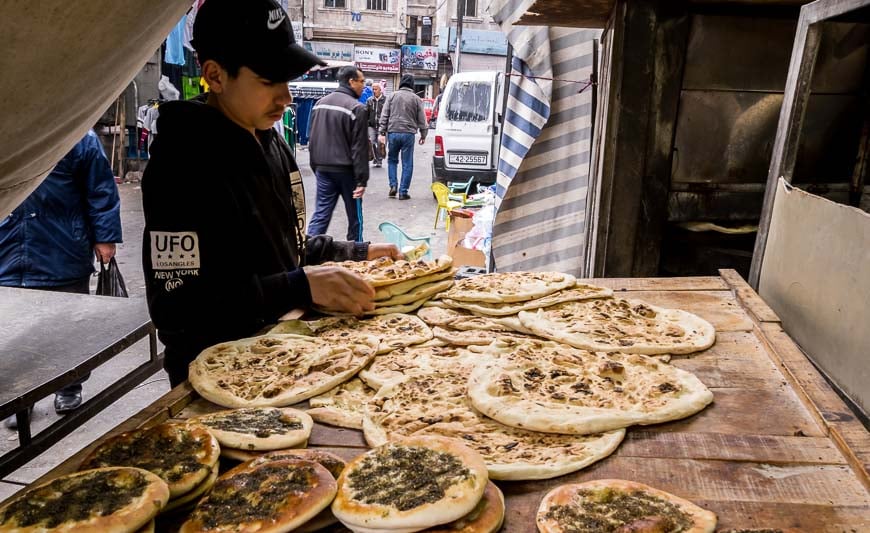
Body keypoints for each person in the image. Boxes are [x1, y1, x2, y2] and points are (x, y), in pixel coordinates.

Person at [141, 0, 400, 387]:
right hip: (218, 377)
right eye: (268, 81)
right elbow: (181, 307)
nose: (287, 97)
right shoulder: (182, 163)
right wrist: (302, 285)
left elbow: (282, 247)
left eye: (288, 80)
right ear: (214, 75)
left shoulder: (269, 141)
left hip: (282, 357)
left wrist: (354, 254)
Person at [0, 129, 122, 426]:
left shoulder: (77, 134)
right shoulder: (9, 128)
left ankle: (69, 386)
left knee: (68, 327)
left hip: (62, 247)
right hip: (7, 248)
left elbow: (100, 190)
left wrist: (105, 238)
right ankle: (22, 398)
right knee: (14, 332)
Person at [307, 66, 370, 242]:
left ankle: (307, 252)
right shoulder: (357, 108)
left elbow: (312, 138)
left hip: (323, 168)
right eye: (361, 81)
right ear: (351, 81)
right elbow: (359, 147)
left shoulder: (320, 104)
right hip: (346, 171)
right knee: (355, 219)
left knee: (321, 214)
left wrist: (316, 167)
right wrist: (361, 180)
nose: (363, 86)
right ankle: (356, 254)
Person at [378, 74, 427, 200]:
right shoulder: (416, 99)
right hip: (408, 134)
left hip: (393, 132)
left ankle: (393, 185)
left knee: (392, 160)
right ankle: (403, 191)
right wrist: (423, 134)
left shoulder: (392, 96)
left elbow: (384, 115)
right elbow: (422, 119)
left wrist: (382, 132)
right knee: (407, 163)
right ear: (412, 84)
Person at [366, 82, 387, 168]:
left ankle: (379, 160)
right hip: (371, 125)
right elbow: (366, 113)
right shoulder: (369, 100)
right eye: (373, 89)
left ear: (380, 90)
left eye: (376, 89)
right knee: (372, 142)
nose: (374, 91)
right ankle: (376, 158)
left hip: (382, 126)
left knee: (380, 143)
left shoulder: (386, 100)